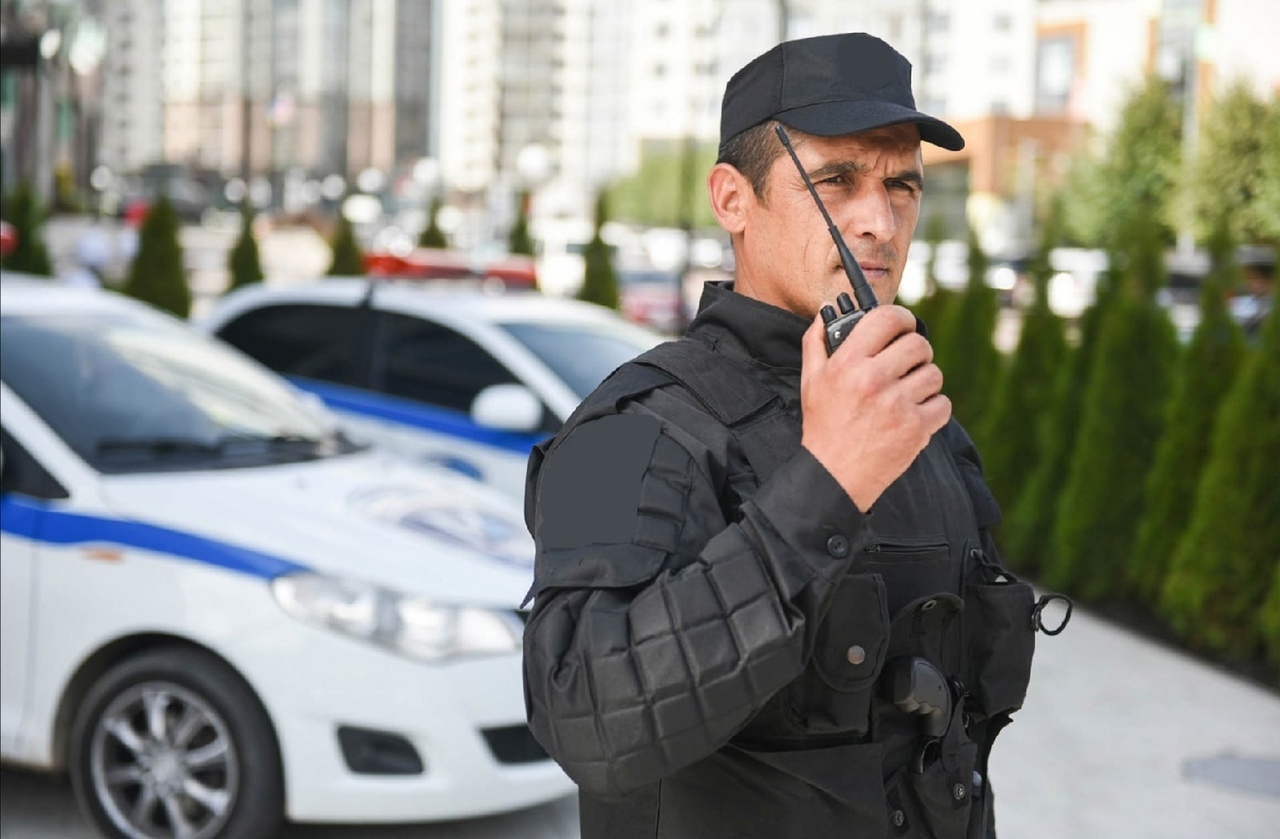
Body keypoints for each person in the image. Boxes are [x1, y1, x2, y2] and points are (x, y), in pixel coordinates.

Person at [523, 33, 1065, 838]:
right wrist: (828, 484)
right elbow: (585, 717)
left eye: (902, 184)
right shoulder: (637, 423)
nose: (879, 221)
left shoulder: (921, 424)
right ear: (732, 200)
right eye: (836, 180)